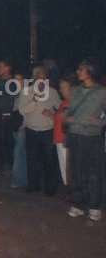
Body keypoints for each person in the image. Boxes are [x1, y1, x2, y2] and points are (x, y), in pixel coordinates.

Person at [66, 59, 106, 222]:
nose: (78, 72)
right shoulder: (75, 90)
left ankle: (95, 206)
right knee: (75, 172)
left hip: (92, 137)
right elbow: (69, 111)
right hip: (75, 135)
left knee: (94, 173)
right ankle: (78, 204)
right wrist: (68, 119)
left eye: (81, 69)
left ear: (90, 71)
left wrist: (99, 122)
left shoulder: (102, 91)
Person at [18, 65, 61, 196]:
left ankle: (50, 187)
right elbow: (22, 110)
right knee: (32, 159)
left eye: (44, 77)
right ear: (34, 78)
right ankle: (33, 185)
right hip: (31, 130)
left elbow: (60, 108)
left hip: (47, 131)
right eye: (38, 77)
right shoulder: (26, 91)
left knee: (48, 160)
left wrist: (52, 114)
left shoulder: (52, 92)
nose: (41, 80)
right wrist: (35, 100)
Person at [0, 59, 16, 177]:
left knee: (9, 143)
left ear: (8, 68)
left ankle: (10, 167)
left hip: (9, 118)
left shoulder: (14, 82)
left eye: (1, 66)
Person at [53, 75, 75, 186]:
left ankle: (71, 191)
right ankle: (69, 190)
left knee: (68, 168)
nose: (61, 90)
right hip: (59, 138)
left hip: (65, 140)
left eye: (63, 87)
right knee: (64, 167)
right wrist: (52, 115)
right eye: (60, 87)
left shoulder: (72, 103)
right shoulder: (64, 102)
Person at [10, 73, 28, 189]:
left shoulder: (26, 93)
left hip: (23, 127)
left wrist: (24, 124)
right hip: (16, 127)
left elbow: (27, 111)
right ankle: (23, 180)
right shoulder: (16, 94)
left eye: (19, 80)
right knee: (21, 153)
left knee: (18, 153)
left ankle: (17, 180)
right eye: (15, 80)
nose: (17, 82)